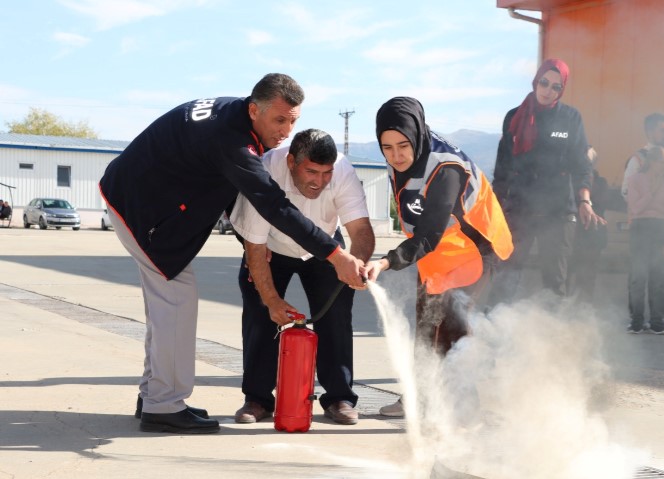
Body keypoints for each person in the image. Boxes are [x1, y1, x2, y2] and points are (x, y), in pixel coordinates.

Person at [99, 73, 365, 434]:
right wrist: (336, 254)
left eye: (293, 121)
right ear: (255, 109)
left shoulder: (233, 113)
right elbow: (275, 206)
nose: (286, 131)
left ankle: (153, 395)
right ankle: (163, 406)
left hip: (134, 199)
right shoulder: (233, 141)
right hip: (143, 213)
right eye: (280, 120)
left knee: (166, 308)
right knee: (176, 303)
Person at [361, 97, 513, 417]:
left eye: (403, 145)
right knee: (426, 327)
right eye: (386, 148)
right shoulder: (402, 157)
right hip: (440, 251)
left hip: (475, 248)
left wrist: (385, 261)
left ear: (416, 135)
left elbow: (428, 234)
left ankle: (465, 407)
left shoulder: (446, 168)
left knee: (453, 325)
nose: (396, 155)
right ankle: (417, 399)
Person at [229, 129, 375, 426]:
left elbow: (360, 231)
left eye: (326, 173)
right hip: (268, 246)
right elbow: (254, 247)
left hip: (324, 247)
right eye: (311, 171)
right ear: (292, 161)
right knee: (260, 315)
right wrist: (271, 300)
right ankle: (257, 399)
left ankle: (339, 398)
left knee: (336, 316)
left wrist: (356, 266)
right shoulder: (267, 168)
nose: (319, 181)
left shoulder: (343, 171)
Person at [490, 58, 603, 302]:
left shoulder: (571, 118)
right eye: (544, 82)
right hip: (520, 208)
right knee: (506, 274)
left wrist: (585, 201)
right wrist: (494, 208)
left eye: (555, 86)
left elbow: (581, 165)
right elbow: (503, 169)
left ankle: (550, 335)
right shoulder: (513, 117)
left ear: (561, 90)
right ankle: (493, 329)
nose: (548, 90)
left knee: (554, 282)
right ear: (536, 81)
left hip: (558, 211)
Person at [626, 146, 664, 334]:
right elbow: (636, 208)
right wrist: (652, 190)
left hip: (661, 230)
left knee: (659, 279)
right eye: (662, 161)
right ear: (652, 161)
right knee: (638, 277)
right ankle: (637, 321)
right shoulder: (636, 180)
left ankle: (657, 322)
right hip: (640, 228)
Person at [568, 146, 613, 303]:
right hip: (572, 235)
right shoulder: (571, 182)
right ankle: (562, 311)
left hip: (592, 237)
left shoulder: (601, 182)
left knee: (587, 278)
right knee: (566, 275)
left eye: (589, 161)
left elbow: (600, 204)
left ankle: (583, 312)